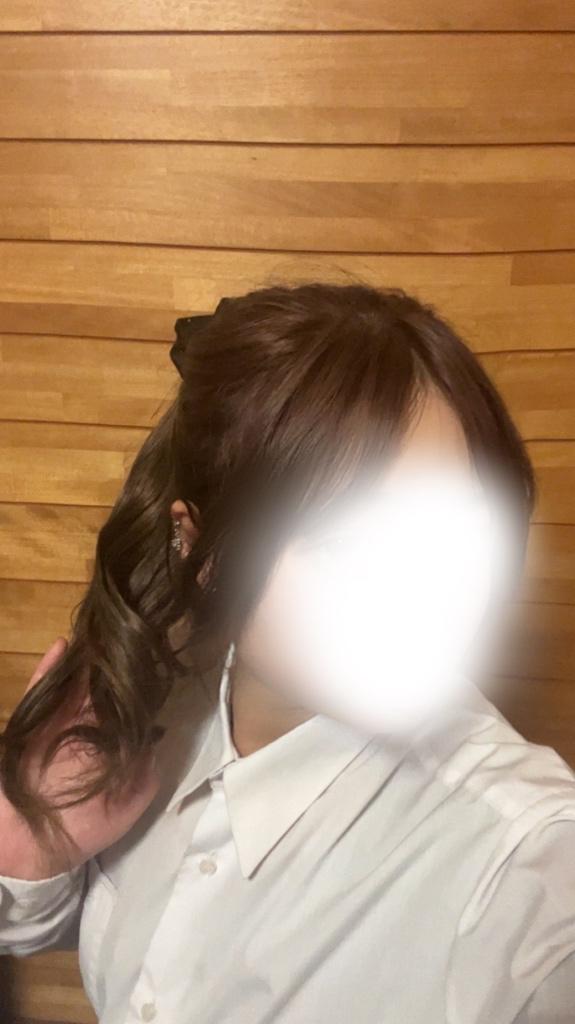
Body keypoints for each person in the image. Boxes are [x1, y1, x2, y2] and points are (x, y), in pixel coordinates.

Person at [1, 281, 574, 1024]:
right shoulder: (157, 702)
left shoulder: (527, 868)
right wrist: (38, 855)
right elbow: (59, 936)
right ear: (197, 545)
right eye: (345, 544)